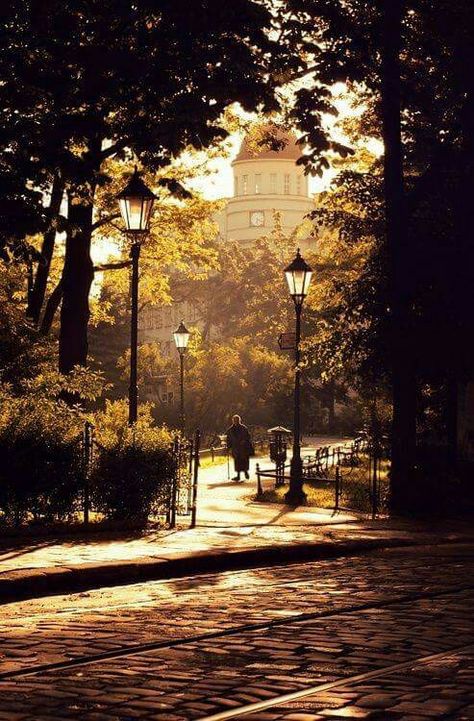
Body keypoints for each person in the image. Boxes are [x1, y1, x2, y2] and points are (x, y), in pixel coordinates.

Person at [226, 414, 253, 482]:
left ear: (239, 420)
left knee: (244, 461)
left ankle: (245, 472)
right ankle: (238, 476)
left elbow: (248, 437)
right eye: (234, 420)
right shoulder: (230, 429)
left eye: (237, 420)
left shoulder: (244, 428)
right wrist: (228, 447)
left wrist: (244, 440)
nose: (235, 421)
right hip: (235, 448)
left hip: (243, 448)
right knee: (237, 461)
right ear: (233, 421)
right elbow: (228, 439)